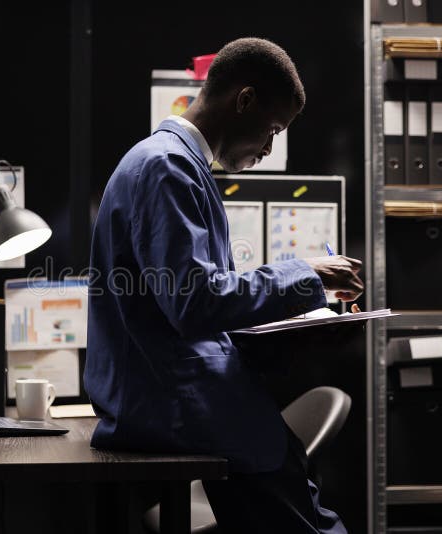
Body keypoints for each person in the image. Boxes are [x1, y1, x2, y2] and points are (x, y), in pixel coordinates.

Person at [84, 37, 363, 533]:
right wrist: (307, 274)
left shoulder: (170, 163)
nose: (268, 149)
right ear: (245, 100)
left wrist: (288, 321)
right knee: (310, 523)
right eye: (272, 130)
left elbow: (194, 300)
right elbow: (195, 301)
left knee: (294, 485)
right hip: (173, 403)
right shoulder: (167, 168)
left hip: (167, 395)